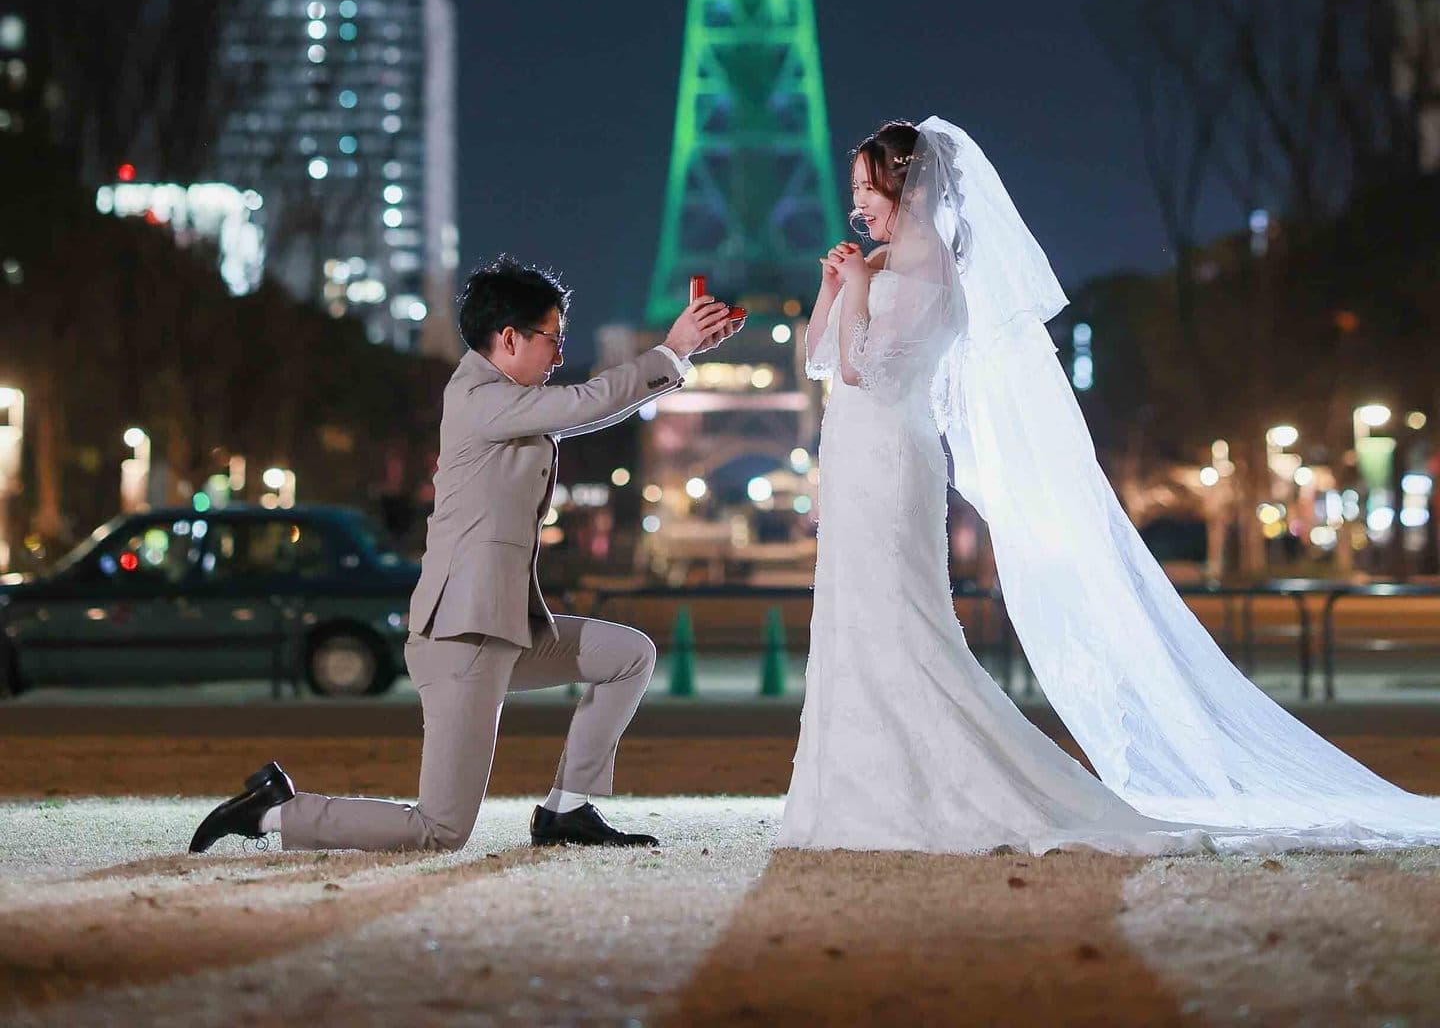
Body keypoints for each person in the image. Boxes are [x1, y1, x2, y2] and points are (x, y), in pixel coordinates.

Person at [780, 116, 1440, 854]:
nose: (858, 205)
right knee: (853, 614)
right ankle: (858, 783)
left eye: (868, 189)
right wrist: (833, 282)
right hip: (853, 455)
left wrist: (863, 286)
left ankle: (938, 780)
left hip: (892, 458)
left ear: (907, 184)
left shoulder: (930, 262)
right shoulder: (882, 261)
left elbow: (872, 370)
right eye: (855, 192)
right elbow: (821, 360)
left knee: (900, 614)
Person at [189, 256, 734, 856]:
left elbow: (587, 410)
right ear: (508, 338)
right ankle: (275, 814)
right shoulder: (477, 395)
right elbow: (583, 404)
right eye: (553, 338)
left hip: (505, 629)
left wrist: (679, 358)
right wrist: (672, 351)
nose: (558, 355)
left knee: (629, 655)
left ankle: (568, 810)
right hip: (464, 636)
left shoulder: (504, 399)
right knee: (440, 830)